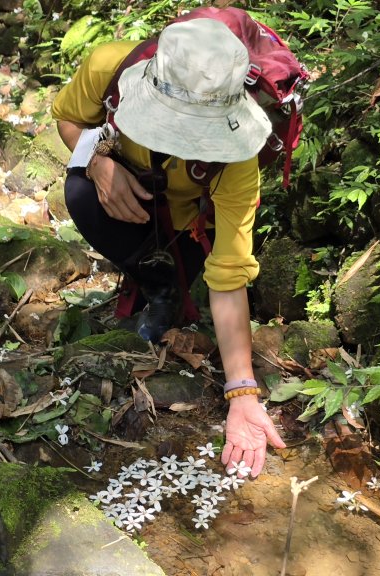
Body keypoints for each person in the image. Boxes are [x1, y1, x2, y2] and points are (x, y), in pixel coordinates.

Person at [52, 18, 286, 477]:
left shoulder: (238, 160)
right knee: (79, 193)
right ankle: (154, 279)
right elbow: (69, 119)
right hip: (129, 188)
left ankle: (171, 285)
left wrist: (242, 394)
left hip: (193, 218)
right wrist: (97, 160)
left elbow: (229, 275)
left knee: (193, 271)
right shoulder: (108, 65)